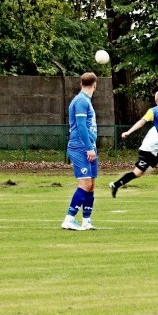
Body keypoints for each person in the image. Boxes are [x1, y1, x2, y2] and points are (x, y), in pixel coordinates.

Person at [61, 72, 99, 230]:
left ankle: (86, 221)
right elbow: (81, 126)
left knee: (91, 185)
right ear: (95, 85)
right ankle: (69, 219)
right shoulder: (81, 101)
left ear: (80, 83)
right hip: (80, 147)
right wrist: (89, 147)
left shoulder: (85, 100)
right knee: (85, 183)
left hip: (89, 147)